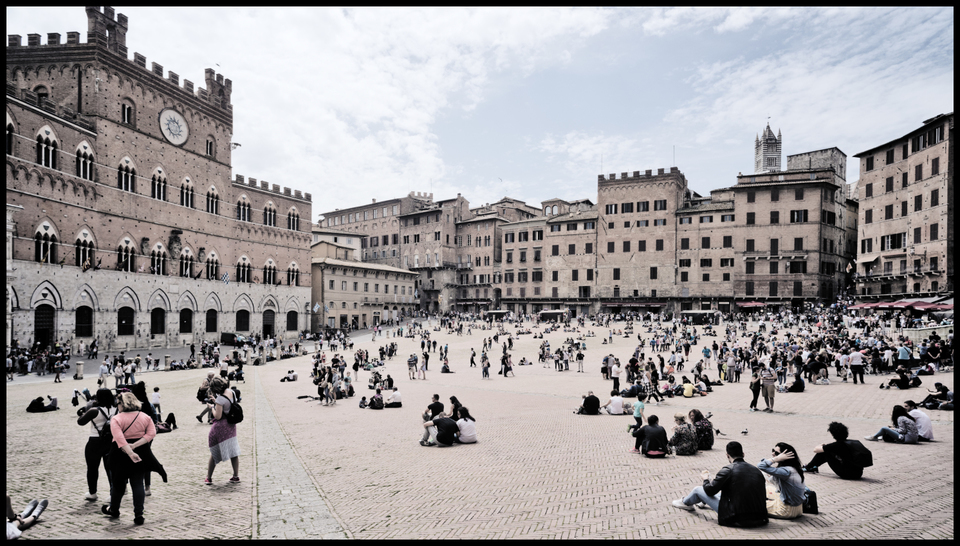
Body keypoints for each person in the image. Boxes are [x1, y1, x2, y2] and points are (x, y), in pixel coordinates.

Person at [672, 441, 769, 528]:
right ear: (743, 454)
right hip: (760, 517)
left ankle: (685, 502)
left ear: (727, 455)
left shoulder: (728, 470)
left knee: (698, 490)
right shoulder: (756, 470)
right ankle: (701, 501)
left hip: (736, 517)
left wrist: (705, 479)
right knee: (721, 493)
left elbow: (710, 491)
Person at [103, 392, 158, 525]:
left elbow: (119, 438)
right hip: (140, 452)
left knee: (118, 484)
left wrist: (129, 451)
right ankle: (139, 514)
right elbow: (152, 433)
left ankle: (114, 510)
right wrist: (135, 446)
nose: (117, 405)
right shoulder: (145, 417)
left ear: (123, 403)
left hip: (119, 454)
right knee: (138, 483)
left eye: (118, 403)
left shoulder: (116, 419)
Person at [76, 388, 117, 501]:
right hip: (111, 441)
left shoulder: (94, 411)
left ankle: (92, 492)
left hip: (95, 441)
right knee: (110, 468)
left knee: (92, 468)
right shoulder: (117, 410)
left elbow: (80, 422)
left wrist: (84, 413)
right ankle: (113, 492)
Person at [802, 422, 871, 480]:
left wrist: (822, 445)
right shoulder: (853, 442)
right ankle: (813, 466)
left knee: (825, 453)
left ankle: (809, 467)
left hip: (847, 475)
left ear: (833, 435)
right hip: (858, 474)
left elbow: (816, 450)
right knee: (829, 451)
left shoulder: (837, 445)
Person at [205, 377, 241, 485]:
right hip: (231, 425)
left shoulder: (220, 399)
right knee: (233, 451)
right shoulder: (231, 392)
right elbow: (227, 405)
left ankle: (209, 477)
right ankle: (235, 476)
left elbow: (218, 416)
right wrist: (216, 402)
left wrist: (212, 407)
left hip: (221, 427)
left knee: (214, 451)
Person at [757, 443, 806, 519]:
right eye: (773, 450)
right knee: (768, 488)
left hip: (786, 511)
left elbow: (761, 465)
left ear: (784, 456)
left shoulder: (785, 471)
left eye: (776, 453)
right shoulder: (794, 468)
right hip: (798, 509)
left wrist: (775, 459)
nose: (772, 453)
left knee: (751, 505)